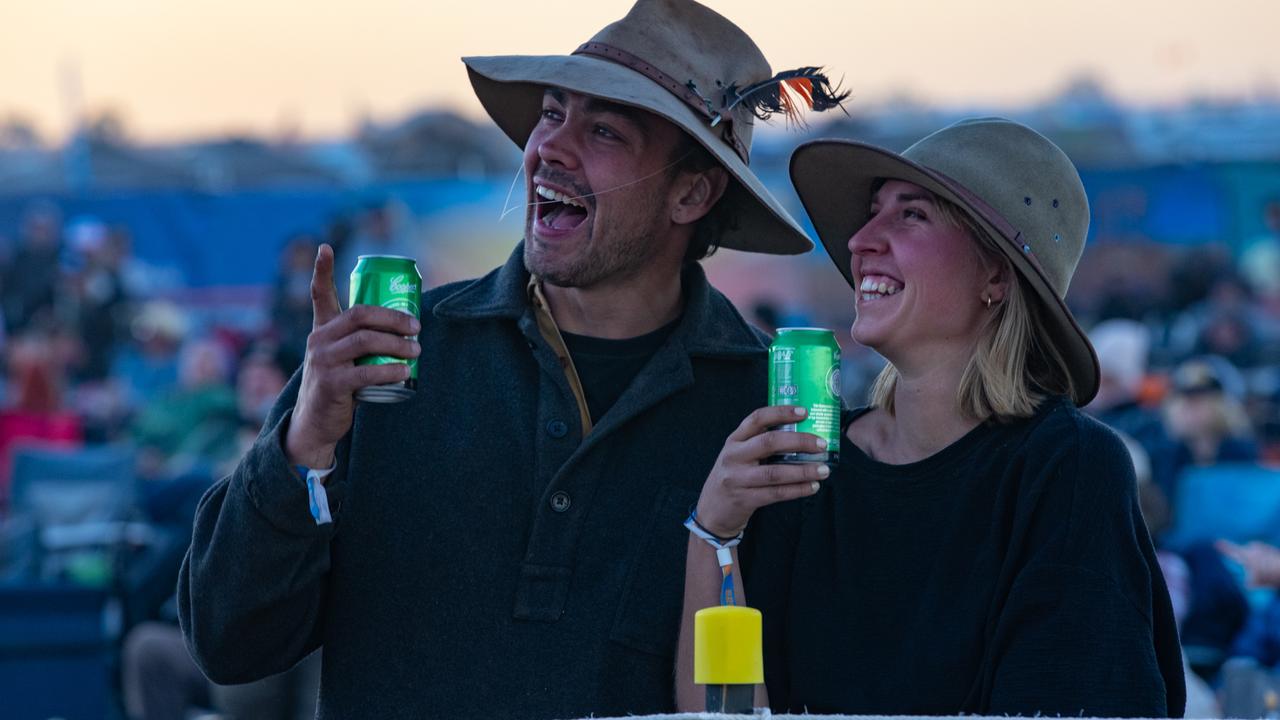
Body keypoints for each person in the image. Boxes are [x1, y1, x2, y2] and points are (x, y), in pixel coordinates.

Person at [179, 1, 845, 718]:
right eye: (552, 114)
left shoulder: (762, 416)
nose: (547, 148)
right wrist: (300, 446)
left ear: (692, 191)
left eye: (602, 130)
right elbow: (227, 642)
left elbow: (778, 692)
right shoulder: (390, 358)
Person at [677, 118, 1186, 716]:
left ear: (996, 274)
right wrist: (715, 532)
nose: (861, 239)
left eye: (910, 214)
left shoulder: (1066, 468)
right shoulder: (811, 466)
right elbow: (725, 710)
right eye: (871, 212)